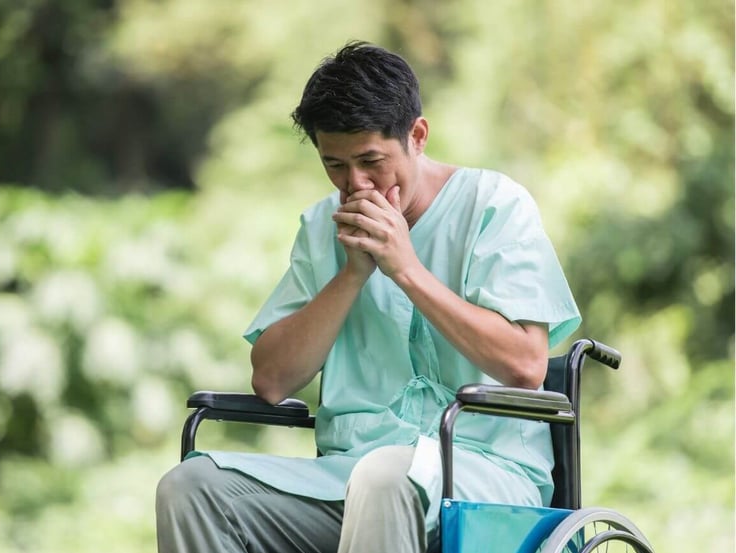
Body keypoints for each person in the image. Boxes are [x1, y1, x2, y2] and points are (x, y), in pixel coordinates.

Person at [155, 40, 581, 553]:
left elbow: (526, 365)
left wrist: (405, 267)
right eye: (334, 165)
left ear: (417, 136)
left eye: (370, 160)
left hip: (482, 477)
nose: (355, 184)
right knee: (191, 488)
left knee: (383, 478)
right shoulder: (321, 228)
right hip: (347, 476)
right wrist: (352, 275)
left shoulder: (494, 206)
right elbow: (270, 380)